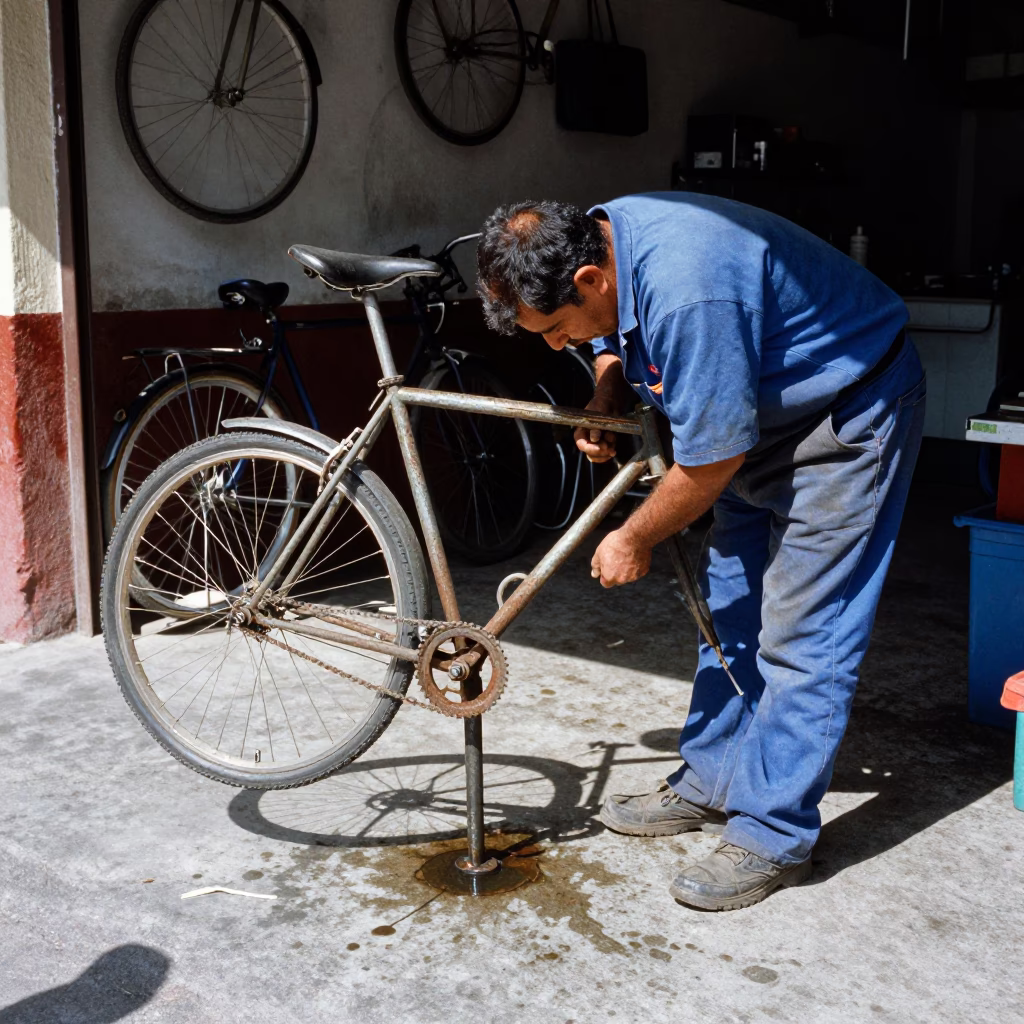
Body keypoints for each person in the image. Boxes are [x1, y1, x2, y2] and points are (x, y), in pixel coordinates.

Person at [476, 194, 925, 911]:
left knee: (805, 633)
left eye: (558, 329)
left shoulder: (690, 290)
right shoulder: (603, 235)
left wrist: (634, 535)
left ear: (591, 280)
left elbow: (711, 464)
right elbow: (620, 342)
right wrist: (607, 379)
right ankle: (712, 780)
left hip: (846, 415)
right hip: (756, 414)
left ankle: (775, 837)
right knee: (730, 609)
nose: (556, 345)